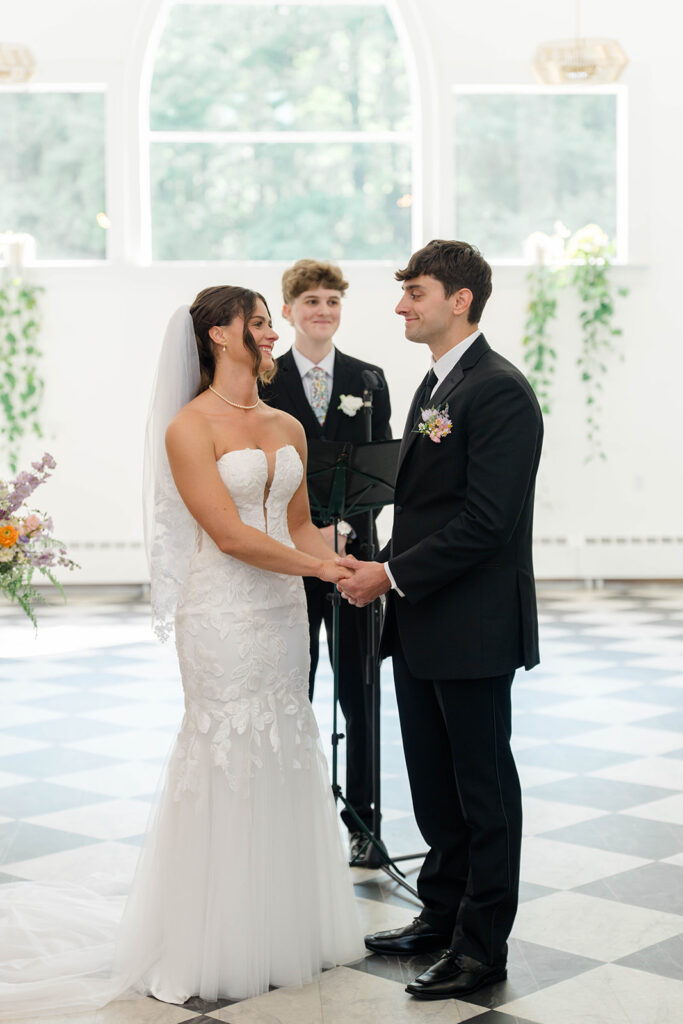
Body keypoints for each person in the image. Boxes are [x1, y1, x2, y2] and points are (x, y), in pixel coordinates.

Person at [0, 286, 364, 1019]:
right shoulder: (188, 427)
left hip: (282, 611)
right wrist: (320, 570)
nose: (271, 333)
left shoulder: (287, 423)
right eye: (257, 323)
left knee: (285, 739)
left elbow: (298, 523)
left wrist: (347, 562)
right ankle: (214, 938)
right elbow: (227, 536)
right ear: (218, 335)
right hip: (221, 610)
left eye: (268, 323)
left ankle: (284, 927)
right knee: (228, 746)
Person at [337, 240, 543, 1001]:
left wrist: (389, 574)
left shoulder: (499, 391)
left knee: (482, 791)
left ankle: (481, 947)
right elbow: (429, 509)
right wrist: (378, 563)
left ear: (460, 300)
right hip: (424, 618)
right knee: (433, 783)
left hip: (474, 625)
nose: (401, 306)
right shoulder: (437, 384)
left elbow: (487, 522)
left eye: (414, 293)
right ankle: (443, 913)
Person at [260, 260, 391, 863]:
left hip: (355, 560)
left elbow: (384, 469)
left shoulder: (369, 379)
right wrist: (308, 534)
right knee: (295, 686)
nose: (323, 311)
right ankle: (294, 820)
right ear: (288, 311)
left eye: (332, 301)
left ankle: (364, 821)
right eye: (311, 301)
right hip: (288, 560)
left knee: (360, 692)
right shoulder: (265, 380)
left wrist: (346, 532)